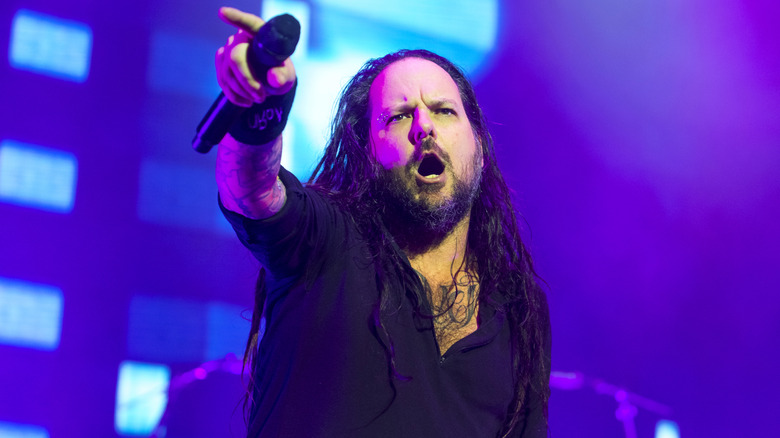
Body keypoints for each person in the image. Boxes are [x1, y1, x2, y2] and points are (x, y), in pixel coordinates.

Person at [212, 7, 551, 438]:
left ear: (479, 147)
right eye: (399, 115)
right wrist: (260, 110)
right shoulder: (328, 242)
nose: (424, 126)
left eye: (445, 111)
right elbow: (254, 190)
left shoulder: (520, 306)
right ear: (369, 154)